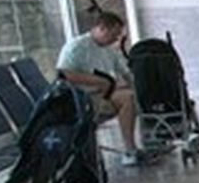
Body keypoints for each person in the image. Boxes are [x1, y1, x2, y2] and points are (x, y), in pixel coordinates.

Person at [56, 10, 140, 163]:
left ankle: (131, 148)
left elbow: (124, 71)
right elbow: (64, 74)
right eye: (113, 35)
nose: (116, 39)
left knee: (131, 97)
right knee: (128, 98)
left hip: (105, 93)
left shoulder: (109, 50)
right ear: (102, 28)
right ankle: (130, 149)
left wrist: (135, 85)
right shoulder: (77, 46)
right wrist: (97, 81)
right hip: (83, 97)